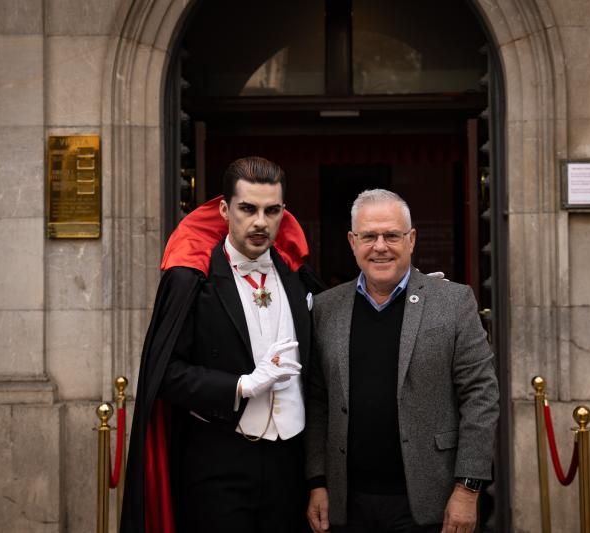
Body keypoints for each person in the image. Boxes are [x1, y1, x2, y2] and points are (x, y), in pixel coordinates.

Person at [121, 156, 323, 533]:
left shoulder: (299, 277)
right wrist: (240, 386)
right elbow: (165, 374)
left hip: (290, 468)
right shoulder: (191, 281)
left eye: (271, 210)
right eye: (248, 209)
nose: (260, 222)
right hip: (218, 464)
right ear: (225, 210)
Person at [305, 189, 499, 533]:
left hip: (431, 503)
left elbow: (480, 396)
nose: (380, 246)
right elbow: (318, 401)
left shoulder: (453, 302)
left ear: (411, 240)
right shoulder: (326, 308)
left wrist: (468, 488)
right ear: (352, 242)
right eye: (369, 236)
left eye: (392, 235)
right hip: (347, 504)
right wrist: (317, 481)